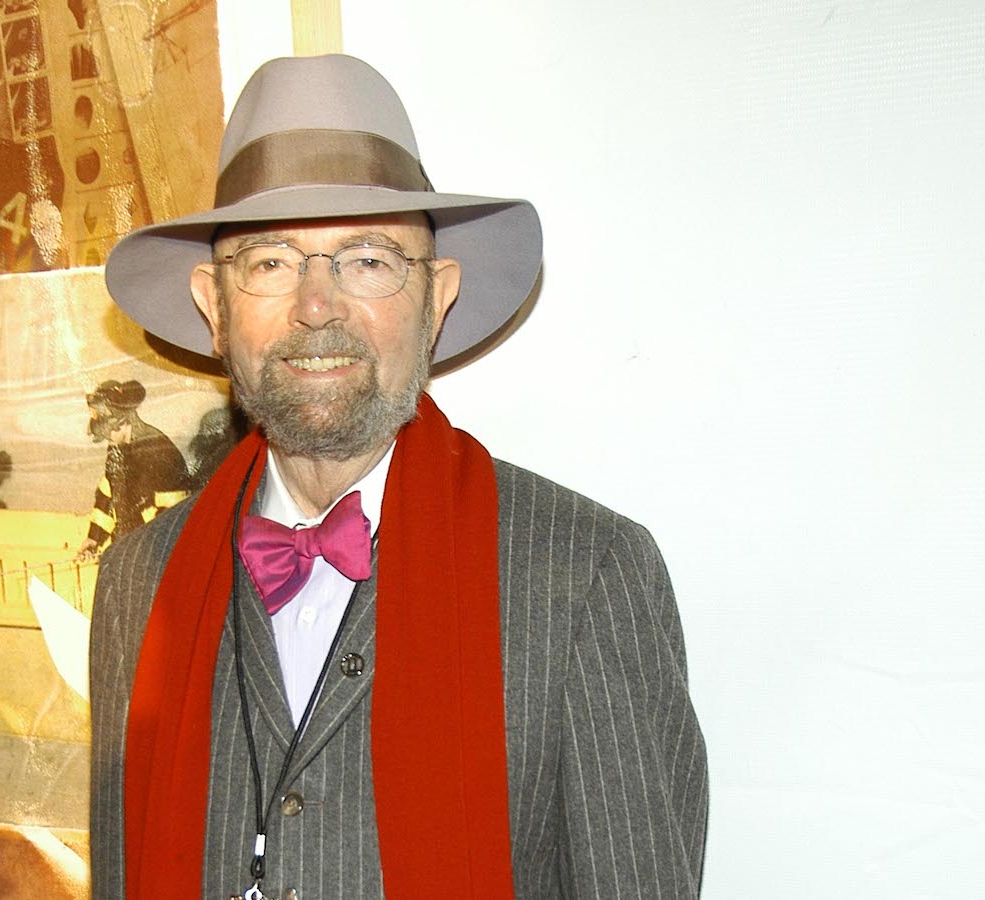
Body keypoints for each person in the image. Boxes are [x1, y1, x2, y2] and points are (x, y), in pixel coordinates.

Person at [91, 55, 708, 899]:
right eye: (270, 262)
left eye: (368, 261)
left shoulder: (587, 574)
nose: (317, 305)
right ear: (214, 304)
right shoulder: (138, 583)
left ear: (436, 297)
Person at [78, 379, 189, 556]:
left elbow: (172, 515)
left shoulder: (159, 453)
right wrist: (94, 538)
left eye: (109, 432)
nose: (108, 439)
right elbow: (108, 493)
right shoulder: (117, 448)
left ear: (125, 422)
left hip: (156, 550)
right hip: (129, 547)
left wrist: (147, 555)